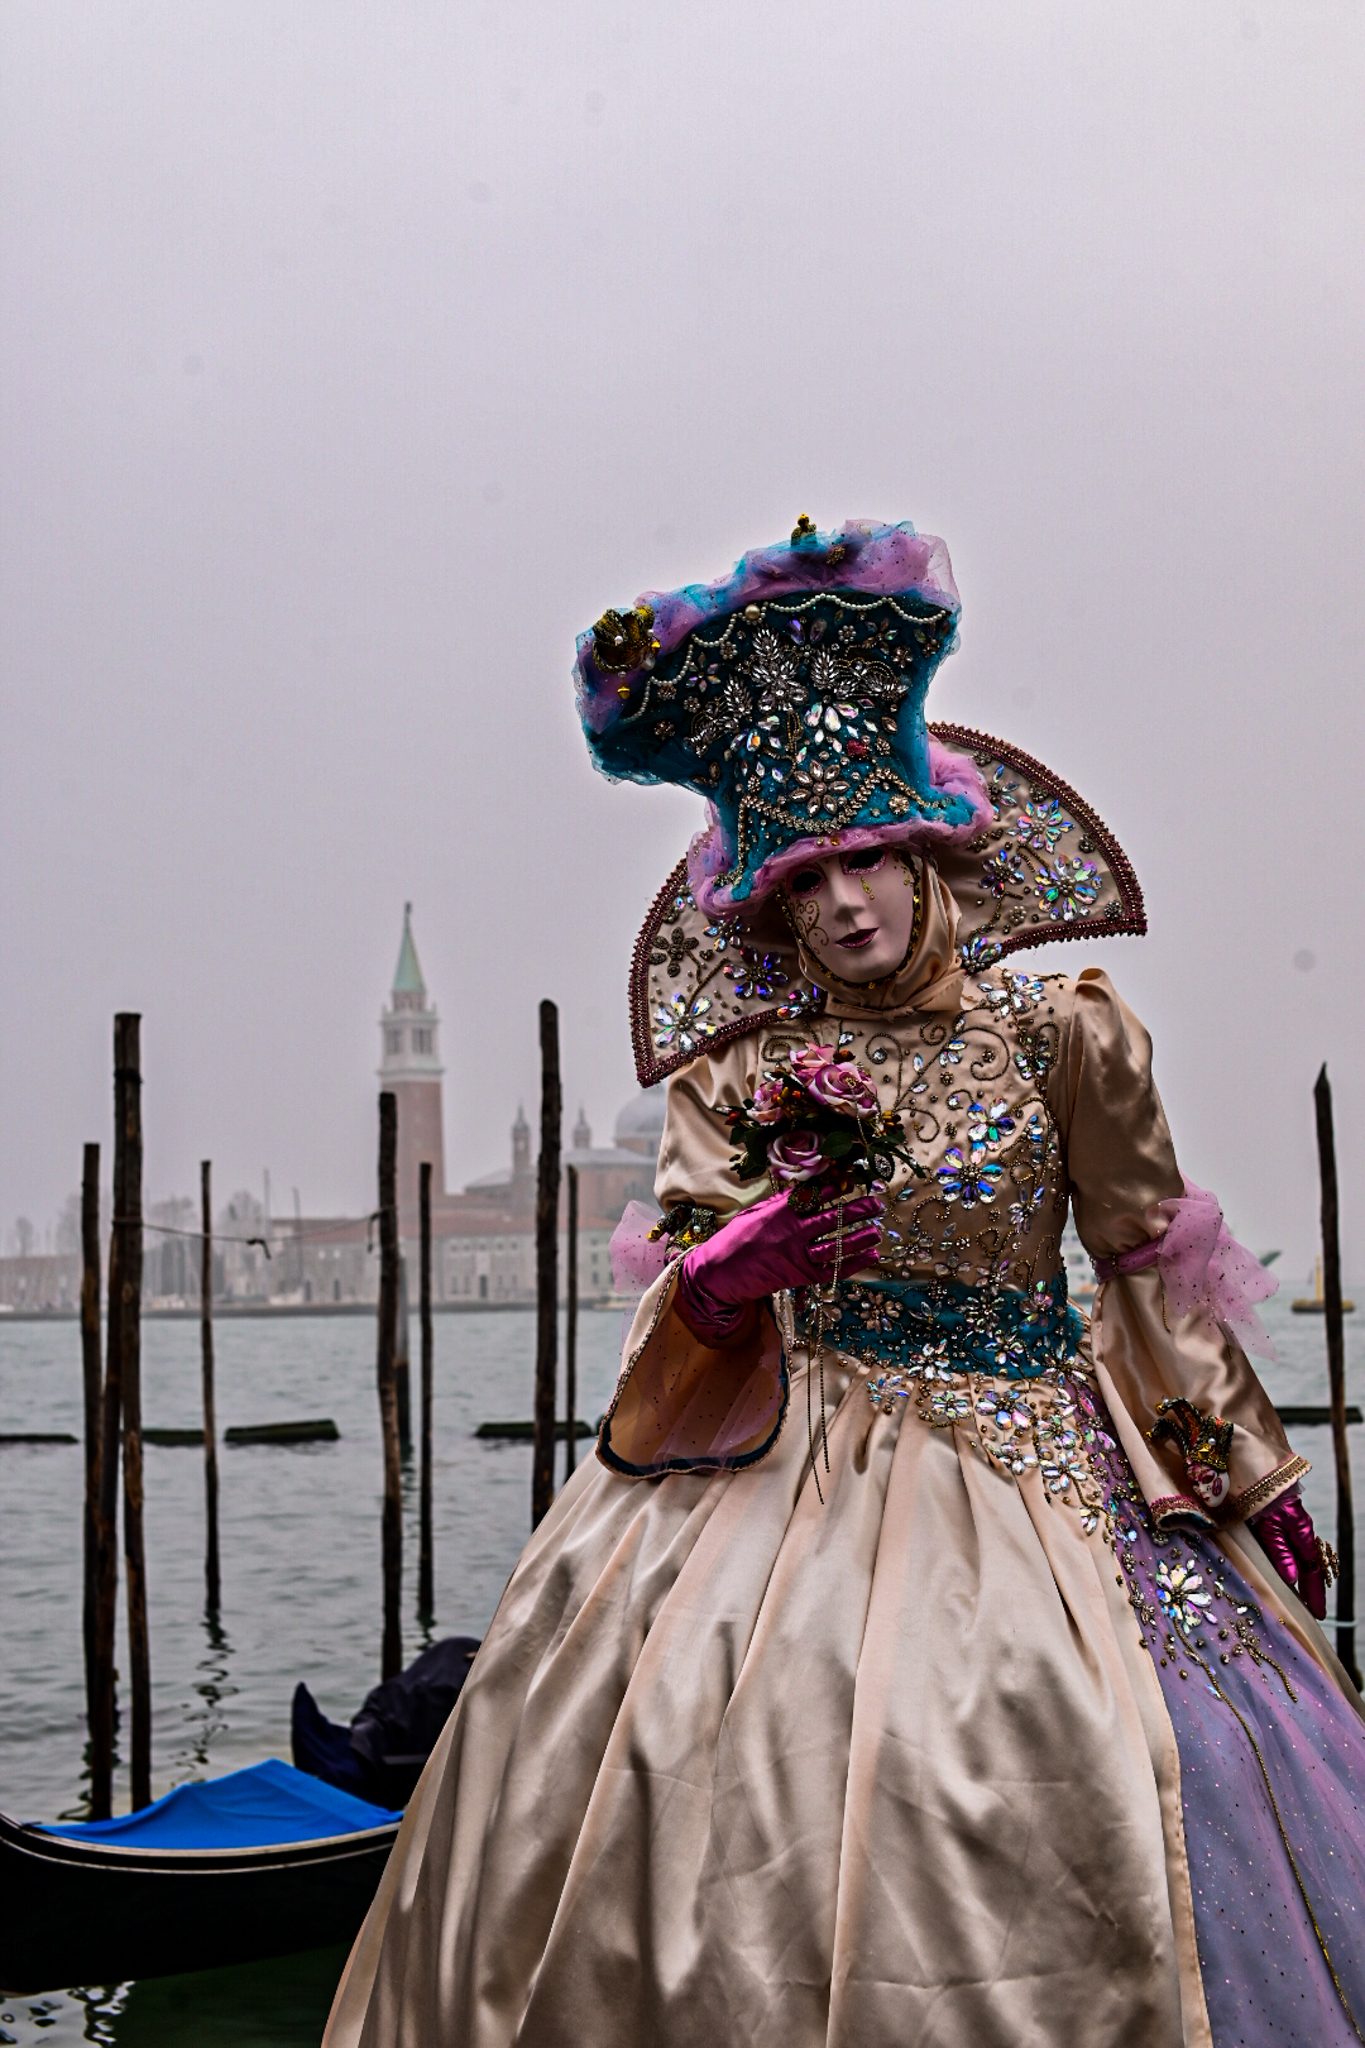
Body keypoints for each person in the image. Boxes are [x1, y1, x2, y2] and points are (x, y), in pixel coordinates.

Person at [326, 518, 1365, 2048]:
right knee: (680, 1745)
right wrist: (736, 1272)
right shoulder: (732, 1069)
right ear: (770, 908)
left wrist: (1246, 1466)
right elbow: (681, 1297)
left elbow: (1145, 1261)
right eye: (804, 884)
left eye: (867, 858)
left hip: (1034, 1459)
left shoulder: (1062, 1033)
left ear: (931, 853)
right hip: (779, 1467)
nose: (843, 906)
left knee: (1105, 1741)